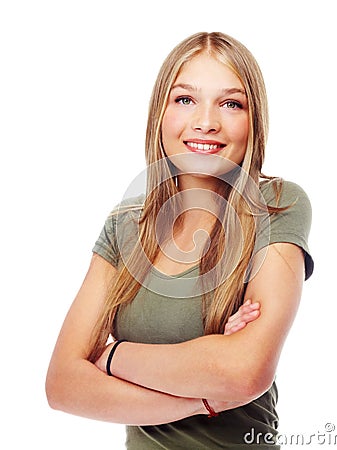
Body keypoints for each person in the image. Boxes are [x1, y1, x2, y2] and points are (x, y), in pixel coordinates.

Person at [46, 31, 314, 449]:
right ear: (160, 113)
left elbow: (245, 372)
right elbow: (62, 385)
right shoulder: (125, 224)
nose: (206, 121)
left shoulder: (276, 204)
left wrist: (113, 358)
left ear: (253, 119)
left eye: (231, 103)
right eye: (185, 99)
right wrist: (202, 398)